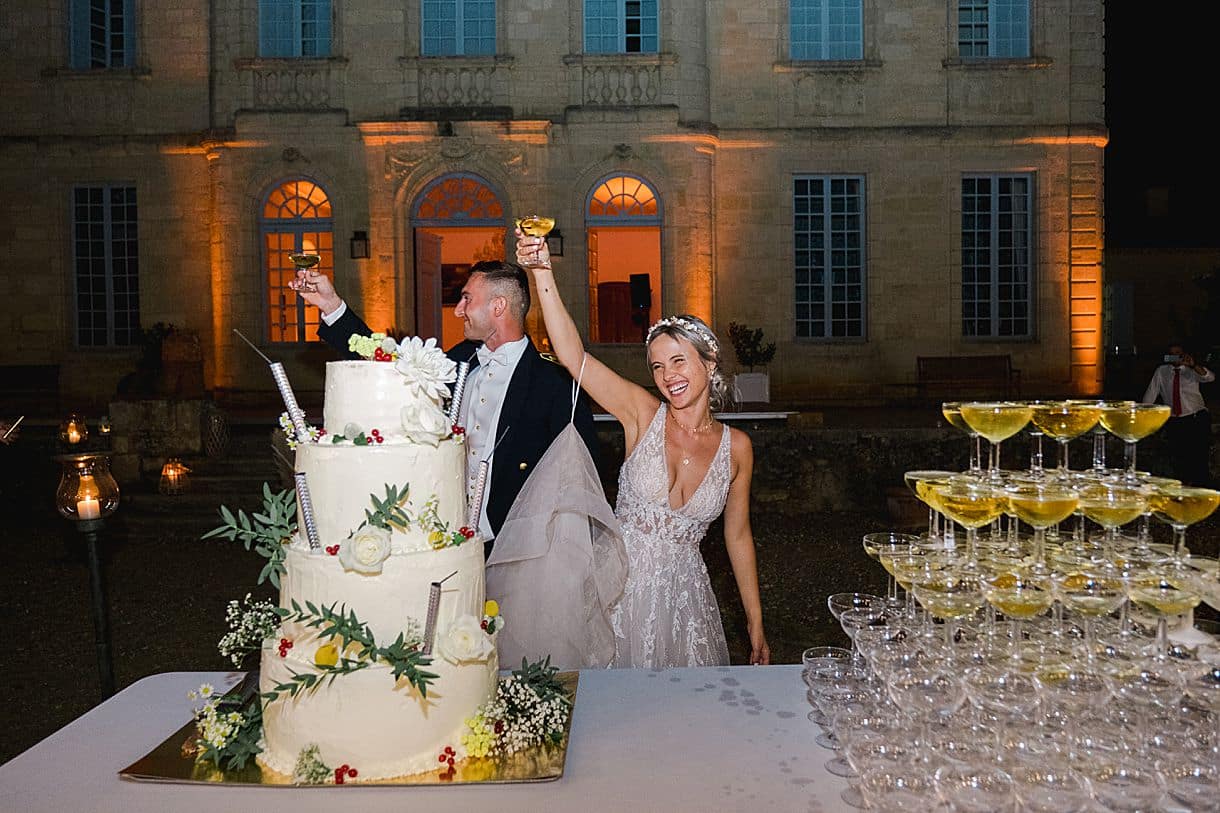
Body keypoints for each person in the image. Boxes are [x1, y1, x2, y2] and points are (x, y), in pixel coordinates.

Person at [514, 229, 770, 668]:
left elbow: (738, 536)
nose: (668, 375)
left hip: (685, 602)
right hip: (618, 589)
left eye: (678, 360)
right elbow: (575, 359)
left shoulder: (738, 448)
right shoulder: (642, 414)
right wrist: (541, 273)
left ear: (708, 363)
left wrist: (755, 622)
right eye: (657, 365)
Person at [288, 263, 600, 544]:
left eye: (468, 299)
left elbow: (580, 478)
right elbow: (389, 363)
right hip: (454, 539)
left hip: (524, 545)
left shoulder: (556, 383)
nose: (458, 310)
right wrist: (331, 306)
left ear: (498, 306)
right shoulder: (460, 359)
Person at [1142, 342, 1214, 486]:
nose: (1175, 357)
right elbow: (1151, 394)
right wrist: (1143, 415)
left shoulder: (1191, 370)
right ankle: (1183, 493)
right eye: (1171, 354)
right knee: (1179, 459)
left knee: (1199, 458)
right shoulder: (1162, 371)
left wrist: (1193, 365)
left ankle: (1202, 493)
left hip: (1195, 417)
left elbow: (1209, 377)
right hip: (1176, 420)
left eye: (1178, 354)